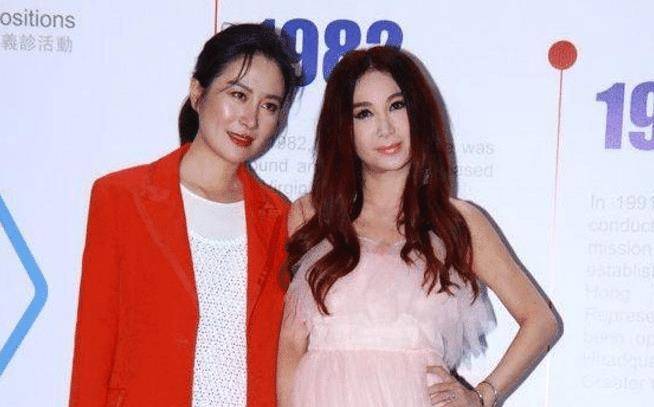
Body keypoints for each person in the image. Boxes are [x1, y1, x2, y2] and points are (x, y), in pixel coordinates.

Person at [277, 46, 559, 407]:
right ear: (343, 129)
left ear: (418, 112)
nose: (385, 127)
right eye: (364, 113)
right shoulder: (314, 216)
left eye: (397, 106)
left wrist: (482, 397)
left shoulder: (457, 222)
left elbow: (540, 320)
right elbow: (291, 345)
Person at [70, 23, 300, 406]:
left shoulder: (280, 218)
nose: (250, 119)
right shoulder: (121, 198)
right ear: (198, 92)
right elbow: (94, 345)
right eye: (238, 95)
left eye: (269, 105)